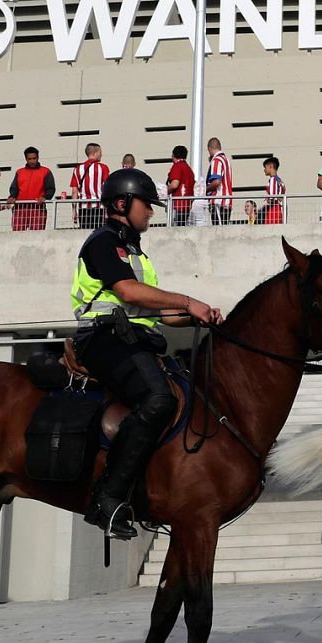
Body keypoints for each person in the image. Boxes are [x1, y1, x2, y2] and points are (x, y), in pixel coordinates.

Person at [72, 168, 223, 539]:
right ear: (122, 203)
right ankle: (107, 499)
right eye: (146, 204)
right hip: (103, 339)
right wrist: (187, 300)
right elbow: (127, 292)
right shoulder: (103, 242)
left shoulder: (136, 252)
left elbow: (158, 313)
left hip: (135, 339)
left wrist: (197, 316)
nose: (151, 211)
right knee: (158, 399)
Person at [8, 146, 55, 231]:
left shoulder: (45, 171)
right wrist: (12, 197)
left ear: (38, 157)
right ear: (26, 159)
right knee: (17, 234)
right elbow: (14, 188)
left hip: (38, 208)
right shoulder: (19, 172)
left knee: (37, 234)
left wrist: (45, 197)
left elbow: (50, 188)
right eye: (29, 159)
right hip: (20, 208)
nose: (32, 161)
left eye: (34, 158)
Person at [68, 142, 110, 230]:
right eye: (100, 152)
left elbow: (74, 191)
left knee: (85, 234)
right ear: (94, 153)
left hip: (83, 207)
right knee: (98, 233)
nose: (101, 154)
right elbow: (107, 187)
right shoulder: (103, 168)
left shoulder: (77, 169)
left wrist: (74, 210)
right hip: (99, 206)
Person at [206, 137, 233, 224]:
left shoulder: (217, 160)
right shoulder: (226, 160)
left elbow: (217, 181)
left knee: (219, 229)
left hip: (218, 202)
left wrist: (205, 189)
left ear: (209, 149)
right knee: (224, 228)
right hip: (227, 201)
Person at [165, 145, 195, 227]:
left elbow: (174, 184)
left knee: (175, 229)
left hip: (178, 204)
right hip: (187, 204)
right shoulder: (189, 169)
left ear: (174, 155)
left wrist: (164, 190)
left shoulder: (177, 166)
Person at [261, 157, 285, 224]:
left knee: (270, 229)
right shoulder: (279, 180)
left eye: (265, 167)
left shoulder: (273, 179)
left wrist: (261, 207)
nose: (264, 170)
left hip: (273, 210)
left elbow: (272, 198)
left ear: (270, 166)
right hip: (279, 210)